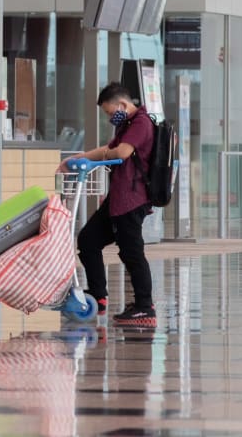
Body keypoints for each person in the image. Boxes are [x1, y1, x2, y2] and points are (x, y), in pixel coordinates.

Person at [57, 82, 156, 327]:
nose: (111, 117)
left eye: (111, 112)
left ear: (122, 104)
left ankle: (145, 308)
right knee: (88, 240)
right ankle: (98, 296)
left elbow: (120, 152)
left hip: (132, 200)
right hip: (119, 198)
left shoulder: (141, 122)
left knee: (132, 252)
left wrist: (99, 158)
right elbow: (110, 148)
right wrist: (82, 157)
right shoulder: (128, 124)